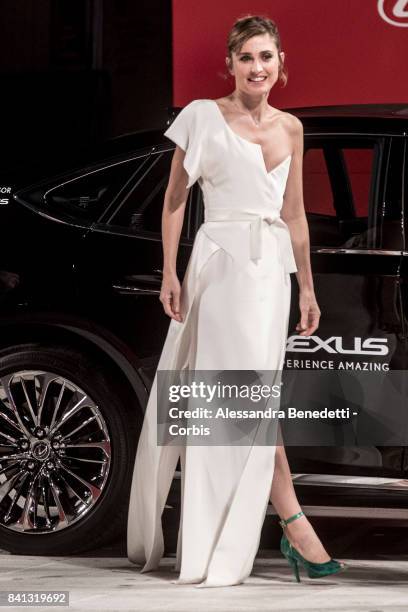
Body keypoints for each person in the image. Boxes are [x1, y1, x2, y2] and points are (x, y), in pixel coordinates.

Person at [127, 14, 345, 587]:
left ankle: (286, 523)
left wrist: (307, 285)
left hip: (269, 273)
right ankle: (290, 526)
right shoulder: (202, 115)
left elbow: (294, 214)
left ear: (281, 65)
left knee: (250, 403)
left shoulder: (292, 129)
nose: (257, 67)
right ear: (230, 64)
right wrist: (169, 272)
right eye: (246, 57)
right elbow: (174, 200)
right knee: (236, 404)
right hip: (220, 266)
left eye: (266, 57)